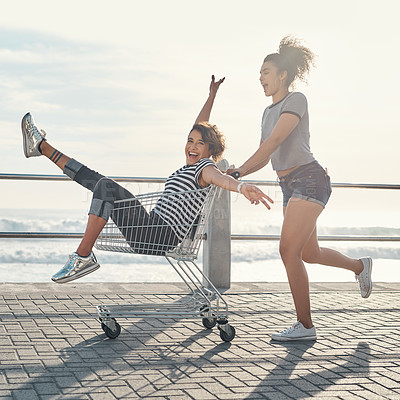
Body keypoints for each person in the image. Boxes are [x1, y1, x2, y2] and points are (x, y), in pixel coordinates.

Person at [21, 75, 273, 284]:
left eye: (200, 144)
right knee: (99, 182)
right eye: (189, 141)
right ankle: (42, 147)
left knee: (105, 186)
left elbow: (219, 178)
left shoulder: (206, 168)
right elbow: (200, 124)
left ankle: (83, 255)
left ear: (210, 151)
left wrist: (241, 186)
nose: (192, 147)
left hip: (160, 234)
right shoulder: (190, 166)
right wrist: (211, 95)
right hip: (151, 227)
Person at [227, 37, 372, 342]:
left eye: (266, 72)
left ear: (283, 74)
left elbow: (275, 142)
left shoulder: (296, 100)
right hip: (288, 185)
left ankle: (305, 326)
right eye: (260, 73)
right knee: (309, 252)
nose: (261, 78)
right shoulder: (267, 112)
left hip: (308, 178)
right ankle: (360, 266)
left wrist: (239, 169)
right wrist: (238, 173)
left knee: (287, 251)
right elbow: (266, 154)